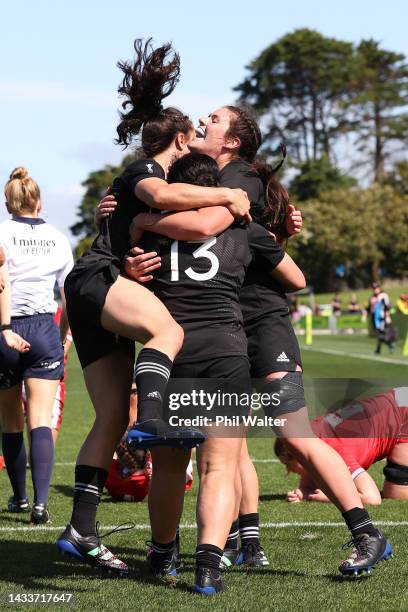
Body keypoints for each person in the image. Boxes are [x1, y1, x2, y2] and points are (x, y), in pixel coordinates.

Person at [101, 104, 392, 578]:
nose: (202, 122)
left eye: (213, 120)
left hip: (263, 324)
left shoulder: (241, 179)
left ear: (233, 142)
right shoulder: (196, 181)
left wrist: (142, 221)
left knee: (293, 433)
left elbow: (208, 227)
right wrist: (116, 208)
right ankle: (241, 540)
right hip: (228, 327)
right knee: (226, 447)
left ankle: (365, 532)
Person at [56, 39, 250, 578]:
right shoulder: (147, 170)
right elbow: (162, 202)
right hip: (95, 279)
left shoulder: (145, 182)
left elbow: (148, 216)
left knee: (111, 415)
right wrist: (228, 199)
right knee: (168, 330)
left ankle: (82, 529)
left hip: (106, 283)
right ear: (182, 139)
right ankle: (156, 418)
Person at [126, 152, 304, 594]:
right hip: (227, 352)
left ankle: (163, 553)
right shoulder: (244, 228)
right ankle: (207, 568)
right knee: (220, 465)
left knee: (169, 466)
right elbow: (291, 279)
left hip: (175, 353)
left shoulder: (150, 226)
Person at [0, 167, 73, 524]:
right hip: (46, 327)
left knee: (11, 419)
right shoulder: (59, 238)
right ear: (38, 201)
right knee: (41, 418)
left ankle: (20, 497)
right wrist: (64, 335)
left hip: (7, 330)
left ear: (8, 202)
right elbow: (67, 294)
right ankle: (42, 503)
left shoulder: (1, 232)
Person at [275, 387, 408, 505]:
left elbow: (372, 498)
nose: (289, 470)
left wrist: (327, 497)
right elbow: (310, 466)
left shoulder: (336, 452)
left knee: (396, 494)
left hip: (404, 414)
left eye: (287, 463)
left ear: (297, 453)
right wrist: (304, 492)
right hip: (399, 398)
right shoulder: (311, 437)